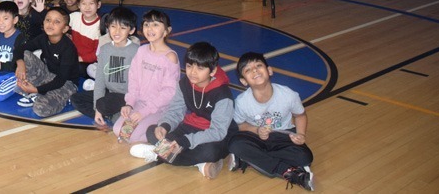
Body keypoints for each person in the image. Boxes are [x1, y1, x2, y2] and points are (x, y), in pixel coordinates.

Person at [129, 42, 237, 181]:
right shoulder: (184, 84)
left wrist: (185, 141)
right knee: (153, 131)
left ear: (213, 70)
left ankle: (157, 154)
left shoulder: (223, 94)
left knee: (210, 152)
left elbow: (218, 131)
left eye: (200, 68)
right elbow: (175, 110)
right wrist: (164, 126)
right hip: (191, 126)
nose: (193, 72)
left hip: (216, 133)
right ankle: (197, 162)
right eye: (189, 66)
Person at [228, 52, 314, 191]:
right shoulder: (242, 102)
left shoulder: (288, 95)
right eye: (248, 70)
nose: (254, 70)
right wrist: (256, 130)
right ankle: (288, 171)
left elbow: (300, 115)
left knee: (305, 157)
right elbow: (241, 125)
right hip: (256, 137)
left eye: (258, 65)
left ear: (269, 70)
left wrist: (301, 134)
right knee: (235, 144)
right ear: (244, 81)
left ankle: (249, 159)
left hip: (283, 136)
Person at [112, 10, 180, 144]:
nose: (149, 29)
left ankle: (166, 130)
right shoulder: (142, 50)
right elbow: (134, 80)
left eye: (155, 25)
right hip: (140, 104)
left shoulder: (170, 57)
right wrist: (130, 104)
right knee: (118, 130)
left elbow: (169, 92)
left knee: (131, 136)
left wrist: (144, 112)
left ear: (166, 31)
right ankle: (152, 131)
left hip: (160, 108)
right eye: (146, 25)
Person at [70, 6, 139, 126]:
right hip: (110, 95)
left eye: (123, 28)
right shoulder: (105, 49)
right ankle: (110, 114)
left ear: (131, 30)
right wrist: (97, 111)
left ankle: (117, 113)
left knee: (105, 106)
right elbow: (100, 81)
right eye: (113, 26)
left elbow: (140, 83)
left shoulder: (136, 51)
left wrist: (130, 103)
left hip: (128, 97)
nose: (117, 32)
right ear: (108, 27)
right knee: (76, 99)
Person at [13, 7, 79, 117]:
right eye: (48, 20)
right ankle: (37, 91)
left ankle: (64, 97)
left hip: (66, 83)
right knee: (25, 55)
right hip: (48, 75)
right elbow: (20, 49)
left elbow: (60, 80)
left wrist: (36, 90)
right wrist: (20, 64)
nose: (51, 24)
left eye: (56, 22)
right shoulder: (43, 38)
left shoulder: (68, 48)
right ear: (43, 22)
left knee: (40, 110)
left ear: (65, 28)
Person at [70, 0, 102, 85]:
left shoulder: (101, 26)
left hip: (89, 62)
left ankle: (96, 82)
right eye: (84, 4)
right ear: (78, 5)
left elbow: (97, 53)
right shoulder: (74, 17)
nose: (87, 7)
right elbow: (58, 23)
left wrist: (81, 59)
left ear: (98, 5)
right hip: (73, 56)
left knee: (83, 69)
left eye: (91, 3)